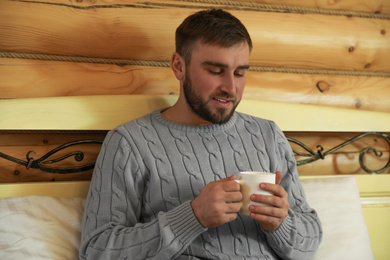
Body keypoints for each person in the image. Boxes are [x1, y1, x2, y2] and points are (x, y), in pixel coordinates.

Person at [80, 9, 322, 260]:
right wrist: (193, 217)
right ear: (178, 66)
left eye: (239, 73)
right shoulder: (130, 143)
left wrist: (280, 224)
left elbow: (309, 244)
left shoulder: (268, 135)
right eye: (216, 71)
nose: (231, 87)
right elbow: (97, 251)